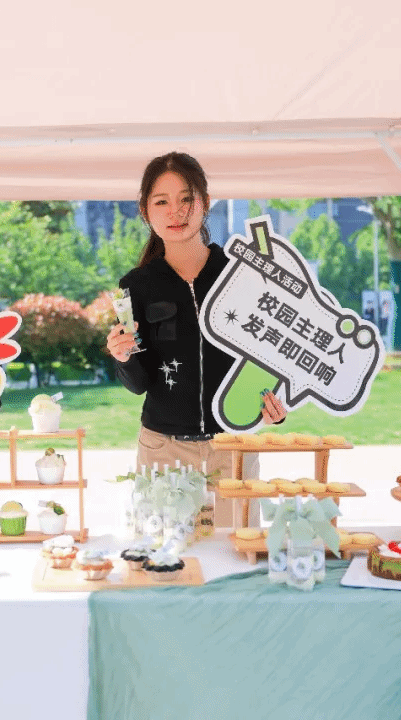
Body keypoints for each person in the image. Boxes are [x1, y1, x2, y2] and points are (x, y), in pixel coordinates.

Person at [105, 152, 287, 525]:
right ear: (145, 210)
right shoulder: (137, 285)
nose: (176, 211)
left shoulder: (240, 274)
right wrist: (123, 357)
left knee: (238, 551)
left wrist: (279, 401)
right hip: (163, 451)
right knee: (167, 555)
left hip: (233, 448)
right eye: (162, 202)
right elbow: (139, 384)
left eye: (186, 199)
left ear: (205, 202)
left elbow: (273, 354)